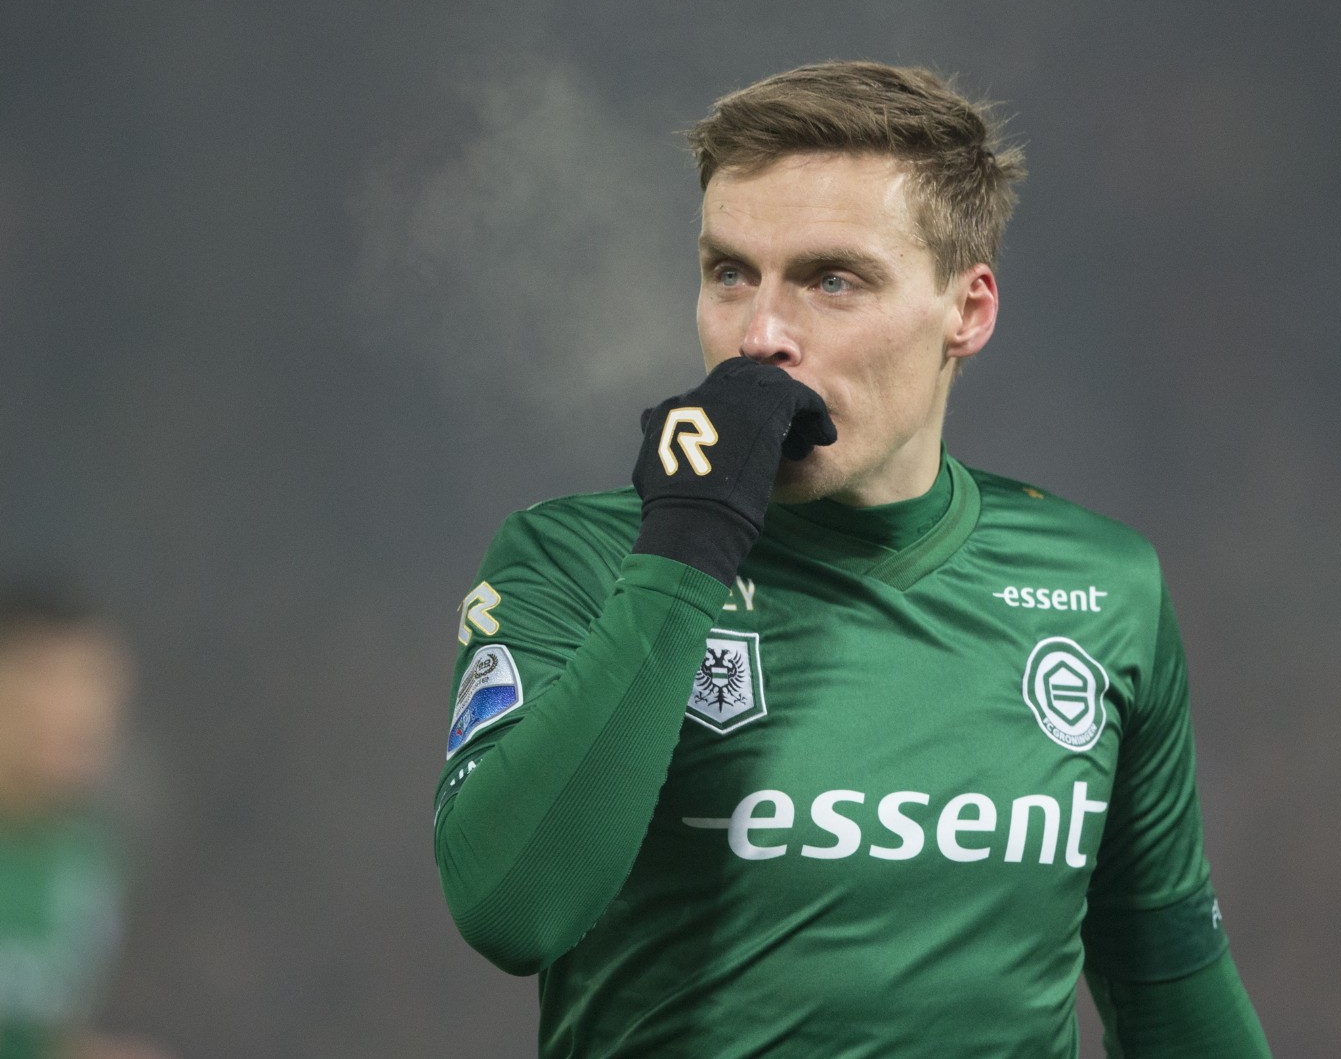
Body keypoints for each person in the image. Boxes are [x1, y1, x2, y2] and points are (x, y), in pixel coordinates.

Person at [434, 61, 1270, 1057]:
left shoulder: (1102, 584)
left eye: (832, 280)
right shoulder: (577, 557)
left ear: (967, 311)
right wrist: (689, 540)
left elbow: (1169, 980)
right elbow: (512, 909)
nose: (760, 336)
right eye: (730, 273)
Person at [0, 586, 170, 1059]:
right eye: (50, 680)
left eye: (100, 687)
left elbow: (31, 1034)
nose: (82, 711)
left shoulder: (88, 859)